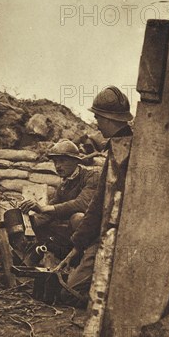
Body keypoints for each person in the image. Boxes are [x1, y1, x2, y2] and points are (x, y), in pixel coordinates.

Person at [57, 86, 134, 307]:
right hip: (105, 233)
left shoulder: (127, 151)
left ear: (109, 119)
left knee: (70, 293)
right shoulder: (117, 148)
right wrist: (78, 246)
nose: (97, 124)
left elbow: (97, 203)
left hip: (119, 237)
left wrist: (80, 245)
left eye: (98, 118)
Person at [19, 139, 101, 257]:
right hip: (75, 233)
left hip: (94, 229)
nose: (58, 166)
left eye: (62, 161)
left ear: (75, 161)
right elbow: (51, 209)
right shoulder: (65, 184)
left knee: (77, 218)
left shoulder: (92, 176)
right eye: (55, 162)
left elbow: (82, 204)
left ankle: (86, 257)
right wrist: (29, 220)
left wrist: (43, 208)